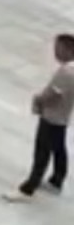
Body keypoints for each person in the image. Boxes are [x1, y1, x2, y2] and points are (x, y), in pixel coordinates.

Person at [9, 32, 74, 200]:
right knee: (58, 148)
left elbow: (53, 94)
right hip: (63, 116)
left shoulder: (66, 72)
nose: (55, 52)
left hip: (52, 117)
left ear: (68, 50)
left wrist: (38, 100)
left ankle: (28, 188)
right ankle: (56, 180)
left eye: (58, 48)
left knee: (42, 151)